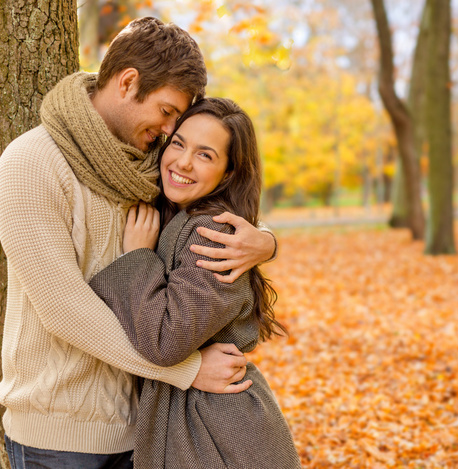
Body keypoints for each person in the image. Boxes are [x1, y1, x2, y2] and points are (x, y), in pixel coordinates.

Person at [0, 18, 276, 468]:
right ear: (128, 82)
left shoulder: (150, 163)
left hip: (146, 430)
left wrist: (265, 240)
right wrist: (186, 370)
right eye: (168, 112)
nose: (170, 131)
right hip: (59, 437)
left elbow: (215, 203)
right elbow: (63, 309)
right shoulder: (31, 163)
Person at [89, 97, 301, 469]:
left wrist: (137, 257)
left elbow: (166, 341)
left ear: (229, 173)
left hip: (216, 431)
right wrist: (268, 241)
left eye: (205, 155)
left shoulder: (212, 231)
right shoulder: (179, 214)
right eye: (179, 144)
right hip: (195, 419)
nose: (183, 162)